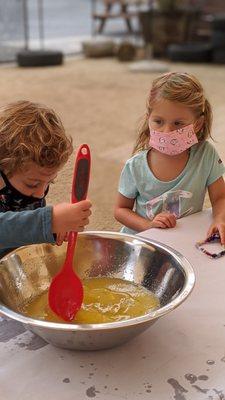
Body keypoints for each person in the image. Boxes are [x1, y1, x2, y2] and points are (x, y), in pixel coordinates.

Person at [114, 72, 225, 244]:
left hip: (183, 240)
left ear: (198, 124)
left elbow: (220, 198)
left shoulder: (206, 155)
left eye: (178, 123)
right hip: (145, 241)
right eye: (158, 121)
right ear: (148, 118)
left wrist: (220, 220)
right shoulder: (135, 166)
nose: (167, 132)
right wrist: (148, 225)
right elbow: (121, 209)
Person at [0, 100, 92, 259]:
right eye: (32, 184)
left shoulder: (32, 194)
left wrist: (53, 231)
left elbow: (24, 231)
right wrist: (49, 221)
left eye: (50, 182)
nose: (40, 194)